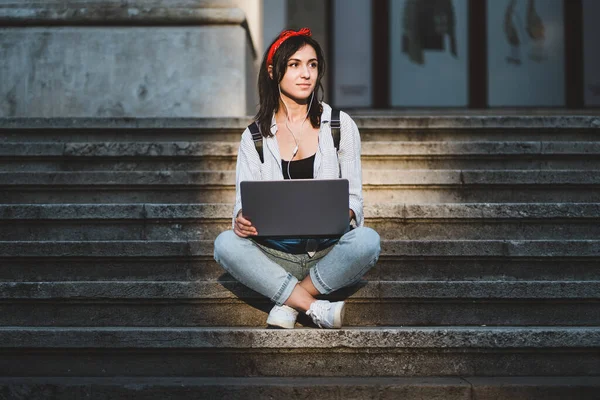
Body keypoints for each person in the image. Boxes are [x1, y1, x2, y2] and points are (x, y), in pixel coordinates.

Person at [213, 28, 381, 329]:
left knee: (368, 241)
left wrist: (347, 212)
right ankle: (314, 306)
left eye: (312, 64)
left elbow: (355, 197)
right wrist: (241, 220)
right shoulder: (254, 138)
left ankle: (288, 301)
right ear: (273, 71)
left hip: (328, 251)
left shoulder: (340, 126)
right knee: (225, 244)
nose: (306, 74)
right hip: (276, 253)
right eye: (294, 64)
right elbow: (242, 205)